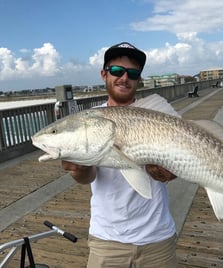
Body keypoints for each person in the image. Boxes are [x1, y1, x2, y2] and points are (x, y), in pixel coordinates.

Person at [62, 42, 178, 268]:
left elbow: (173, 173)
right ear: (104, 74)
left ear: (138, 80)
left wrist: (166, 173)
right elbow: (88, 178)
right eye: (117, 71)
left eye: (132, 73)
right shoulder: (90, 121)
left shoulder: (159, 115)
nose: (124, 77)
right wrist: (79, 170)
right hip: (106, 239)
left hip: (157, 238)